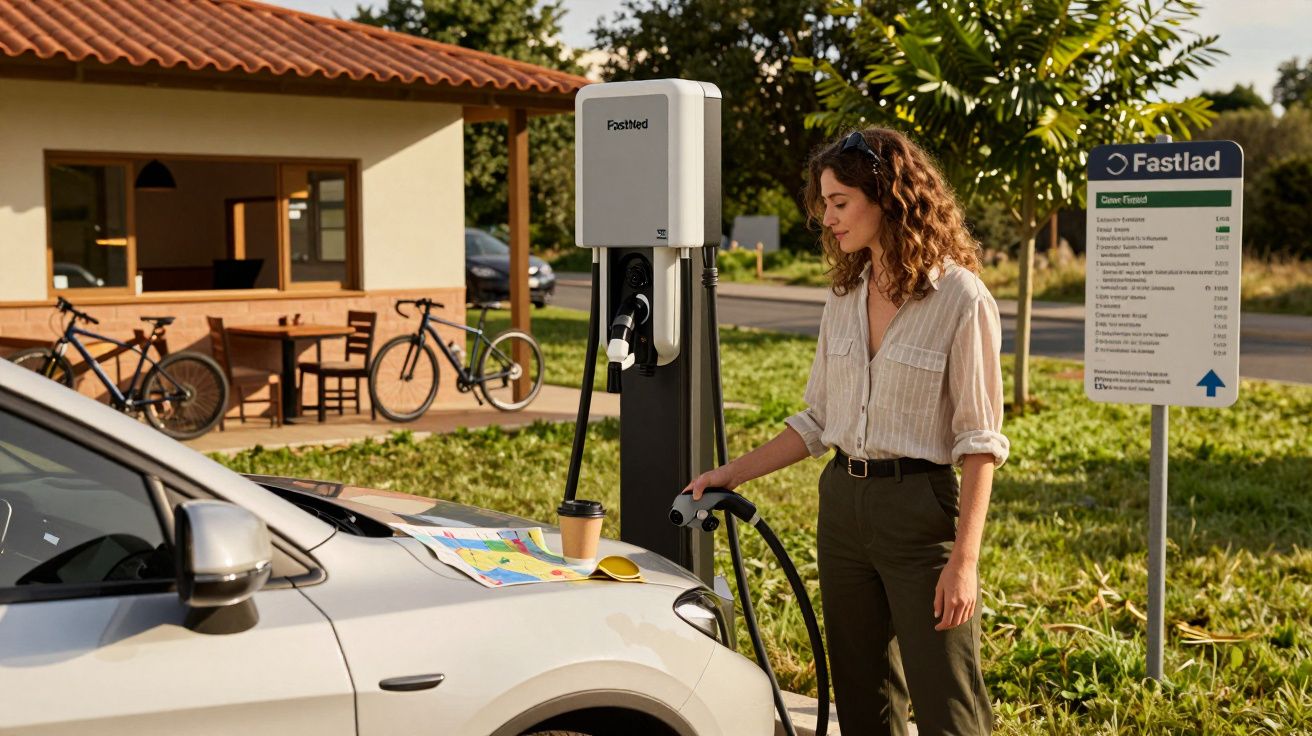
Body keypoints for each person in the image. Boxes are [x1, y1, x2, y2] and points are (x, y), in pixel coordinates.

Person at [682, 127, 1008, 735]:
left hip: (920, 511)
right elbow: (816, 422)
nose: (827, 219)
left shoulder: (961, 299)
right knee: (863, 696)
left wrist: (965, 560)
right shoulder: (844, 295)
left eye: (840, 203)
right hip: (843, 508)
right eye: (824, 204)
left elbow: (980, 443)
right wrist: (729, 474)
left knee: (948, 701)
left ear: (887, 198)